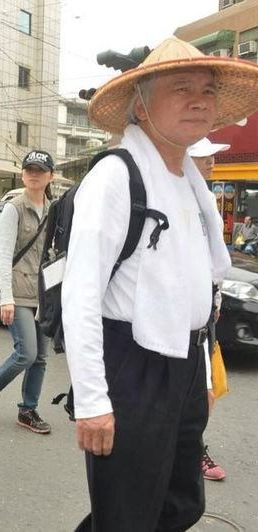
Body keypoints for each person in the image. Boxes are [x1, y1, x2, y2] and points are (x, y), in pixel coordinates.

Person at [62, 37, 258, 531]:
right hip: (135, 365)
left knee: (180, 503)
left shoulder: (190, 182)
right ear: (141, 104)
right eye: (182, 87)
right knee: (129, 512)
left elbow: (200, 278)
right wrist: (91, 402)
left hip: (185, 363)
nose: (200, 99)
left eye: (208, 89)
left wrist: (202, 369)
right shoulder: (115, 177)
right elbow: (80, 294)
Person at [0, 150, 54, 434]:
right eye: (29, 169)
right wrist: (6, 298)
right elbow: (4, 255)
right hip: (18, 293)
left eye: (40, 170)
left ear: (50, 176)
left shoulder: (53, 209)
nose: (34, 174)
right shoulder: (14, 208)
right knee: (27, 353)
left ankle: (28, 410)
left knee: (41, 358)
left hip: (43, 294)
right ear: (22, 174)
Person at [189, 137, 230, 482]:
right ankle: (191, 448)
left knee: (208, 386)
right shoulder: (180, 197)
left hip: (205, 308)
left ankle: (189, 445)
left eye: (213, 156)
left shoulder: (209, 200)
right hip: (182, 311)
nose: (212, 161)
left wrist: (216, 299)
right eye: (205, 157)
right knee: (198, 388)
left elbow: (215, 261)